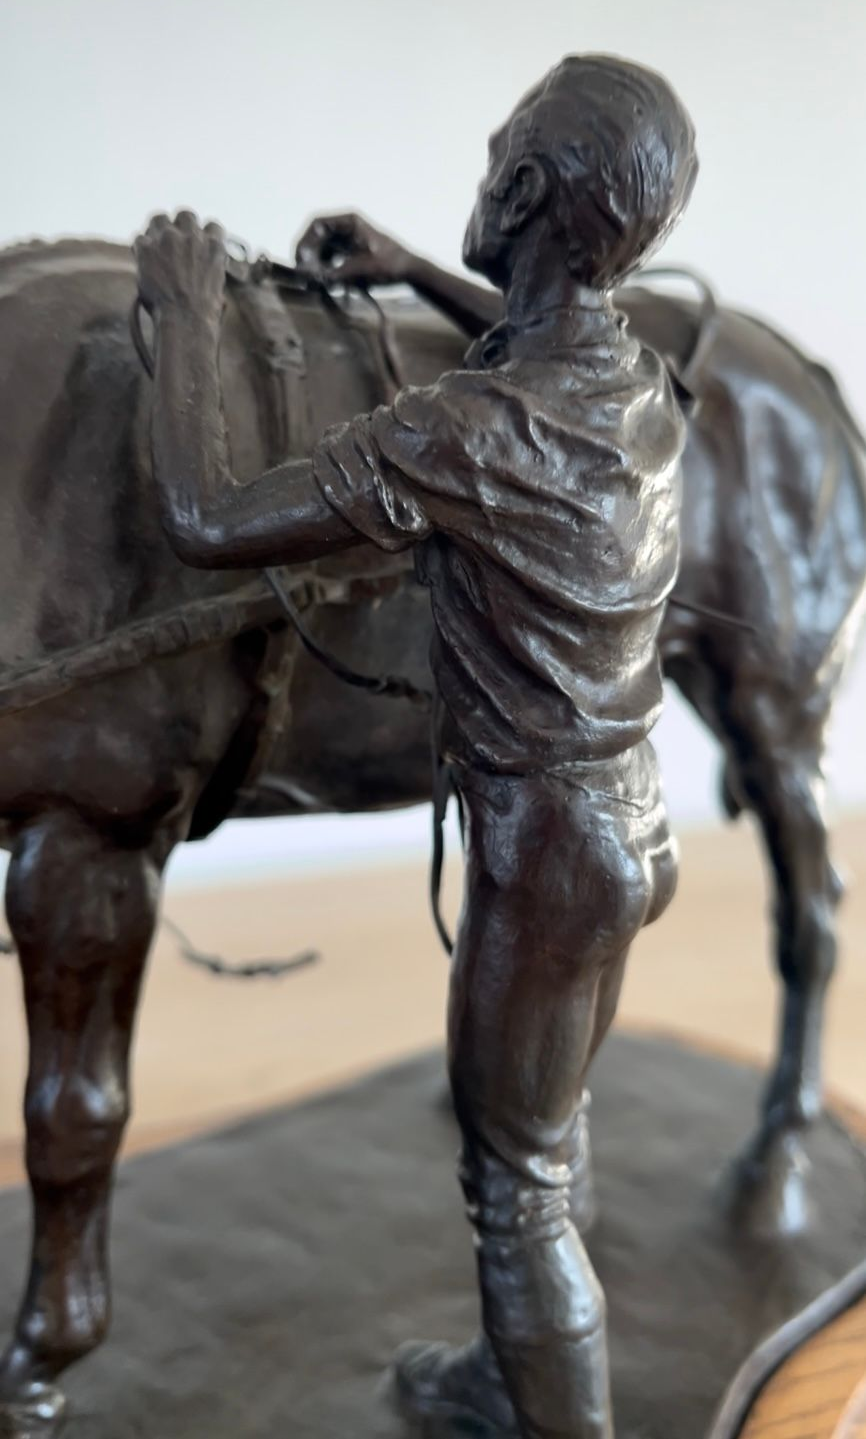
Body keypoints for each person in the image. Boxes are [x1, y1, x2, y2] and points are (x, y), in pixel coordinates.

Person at [135, 53, 697, 1439]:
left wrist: (185, 313)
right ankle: (506, 1379)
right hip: (635, 826)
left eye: (498, 146)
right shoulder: (630, 380)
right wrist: (406, 272)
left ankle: (552, 1417)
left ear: (519, 189)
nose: (483, 162)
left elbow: (207, 521)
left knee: (514, 1183)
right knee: (542, 1142)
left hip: (550, 853)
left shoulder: (466, 428)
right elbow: (536, 330)